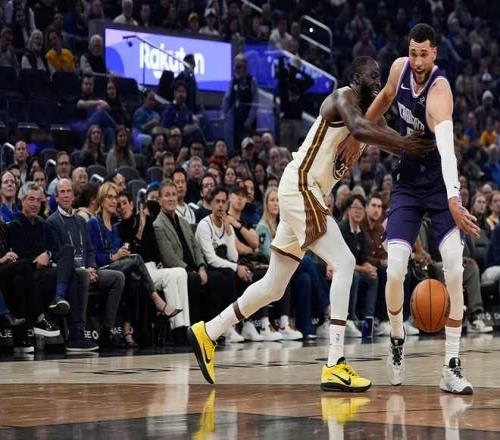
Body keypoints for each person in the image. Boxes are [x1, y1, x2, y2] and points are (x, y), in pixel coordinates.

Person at [188, 55, 429, 389]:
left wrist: (418, 148)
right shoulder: (342, 98)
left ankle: (208, 331)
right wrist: (403, 143)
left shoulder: (369, 113)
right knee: (345, 262)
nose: (377, 82)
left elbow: (385, 135)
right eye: (371, 76)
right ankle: (335, 363)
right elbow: (361, 130)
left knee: (274, 286)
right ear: (354, 77)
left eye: (380, 78)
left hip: (303, 192)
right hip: (301, 186)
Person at [363, 23, 480, 394]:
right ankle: (397, 339)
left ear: (435, 54)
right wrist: (360, 134)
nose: (416, 61)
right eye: (413, 53)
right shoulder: (399, 69)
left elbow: (447, 150)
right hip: (408, 185)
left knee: (455, 269)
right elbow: (384, 99)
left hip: (440, 188)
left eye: (424, 55)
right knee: (395, 270)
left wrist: (454, 198)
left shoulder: (439, 92)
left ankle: (451, 366)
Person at [88, 183, 179, 347]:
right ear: (101, 200)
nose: (114, 201)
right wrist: (113, 256)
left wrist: (123, 252)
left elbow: (121, 250)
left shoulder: (115, 226)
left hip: (115, 267)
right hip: (100, 269)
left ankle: (118, 330)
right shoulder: (94, 223)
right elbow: (92, 255)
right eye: (109, 197)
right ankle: (158, 301)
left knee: (134, 277)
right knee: (136, 259)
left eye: (115, 197)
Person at [117, 191, 189, 344]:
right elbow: (131, 253)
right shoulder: (120, 227)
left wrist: (159, 260)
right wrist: (140, 230)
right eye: (119, 205)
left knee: (181, 273)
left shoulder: (147, 220)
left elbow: (154, 246)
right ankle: (177, 329)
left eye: (124, 203)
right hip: (139, 270)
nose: (122, 207)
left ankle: (184, 326)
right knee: (170, 277)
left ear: (131, 204)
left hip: (153, 268)